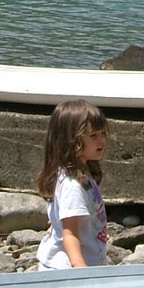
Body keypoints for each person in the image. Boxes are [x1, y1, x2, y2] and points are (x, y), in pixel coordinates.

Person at [35, 99, 109, 269]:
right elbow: (70, 234)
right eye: (93, 135)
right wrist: (80, 267)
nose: (102, 140)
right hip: (66, 269)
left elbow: (64, 216)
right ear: (72, 141)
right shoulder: (72, 185)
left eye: (103, 133)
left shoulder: (80, 173)